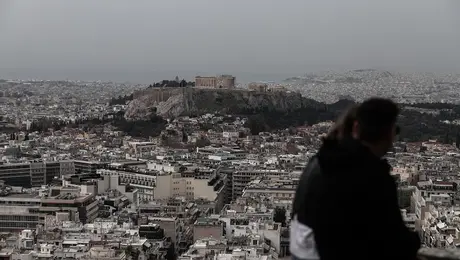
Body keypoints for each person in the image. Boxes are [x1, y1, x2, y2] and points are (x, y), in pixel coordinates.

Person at [290, 98, 420, 260]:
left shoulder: (319, 160)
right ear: (391, 134)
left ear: (356, 128)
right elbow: (395, 240)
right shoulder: (371, 175)